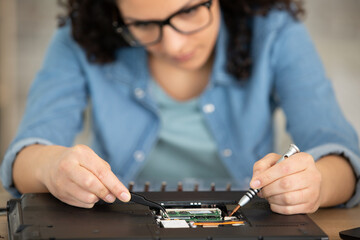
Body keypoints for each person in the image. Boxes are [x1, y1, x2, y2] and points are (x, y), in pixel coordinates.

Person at [1, 0, 359, 215]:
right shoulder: (78, 38)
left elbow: (342, 156)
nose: (174, 45)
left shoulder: (276, 30)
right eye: (142, 25)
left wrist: (314, 184)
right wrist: (52, 167)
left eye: (188, 11)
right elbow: (27, 155)